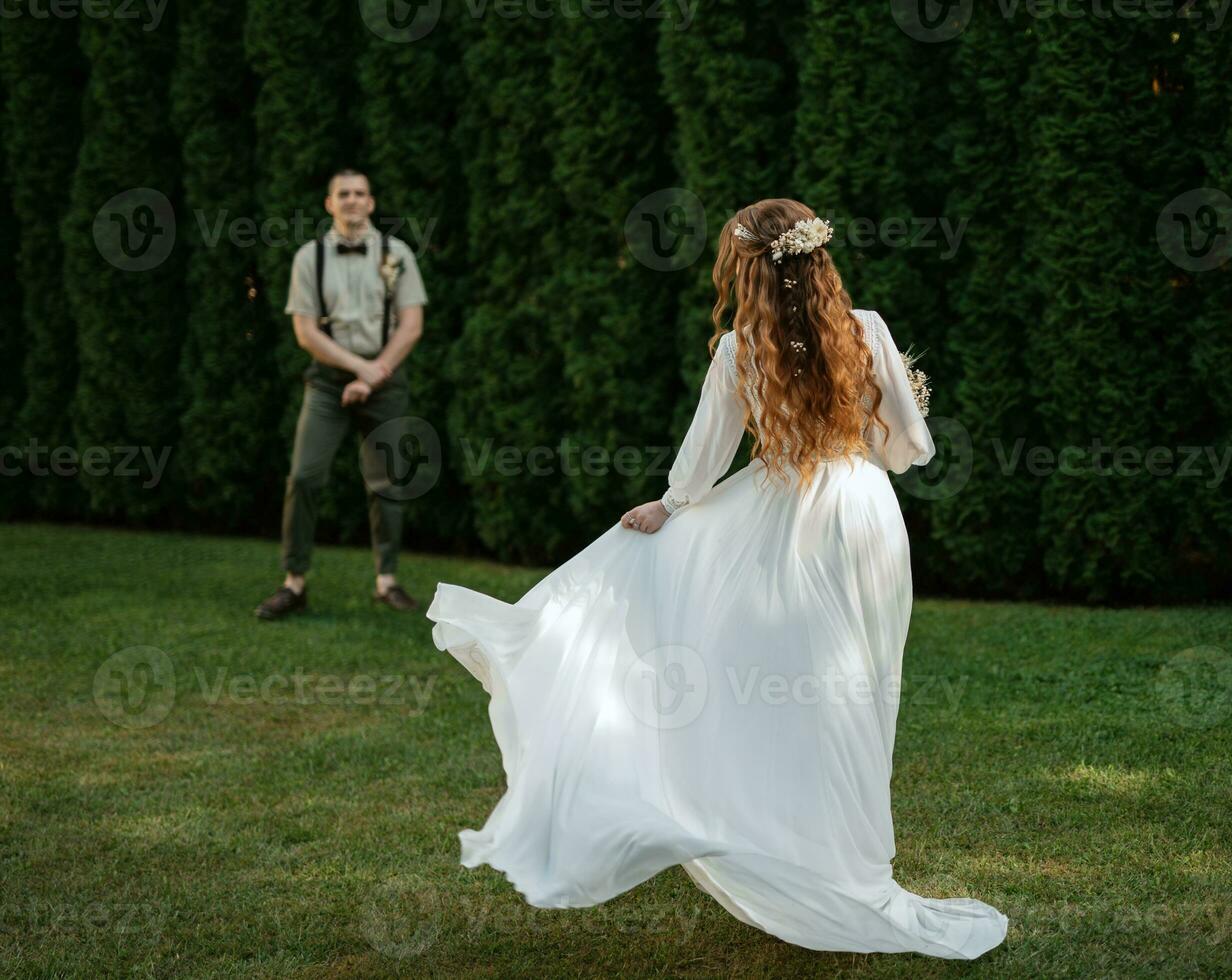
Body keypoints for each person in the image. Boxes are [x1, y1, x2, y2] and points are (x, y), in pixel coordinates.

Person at [426, 198, 1008, 958]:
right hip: (864, 522)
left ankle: (788, 839)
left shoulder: (741, 348)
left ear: (747, 270)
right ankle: (853, 863)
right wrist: (877, 426)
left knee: (781, 688)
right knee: (859, 693)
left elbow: (704, 461)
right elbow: (907, 451)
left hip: (780, 520)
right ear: (817, 256)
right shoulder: (868, 331)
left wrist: (668, 507)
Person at [254, 169, 428, 621]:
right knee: (305, 476)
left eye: (360, 194)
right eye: (343, 194)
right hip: (329, 381)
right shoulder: (308, 258)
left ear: (371, 203)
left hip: (385, 379)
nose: (352, 200)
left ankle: (387, 581)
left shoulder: (399, 254)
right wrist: (356, 371)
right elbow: (306, 333)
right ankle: (294, 583)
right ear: (330, 204)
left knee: (388, 481)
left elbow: (411, 326)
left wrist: (373, 376)